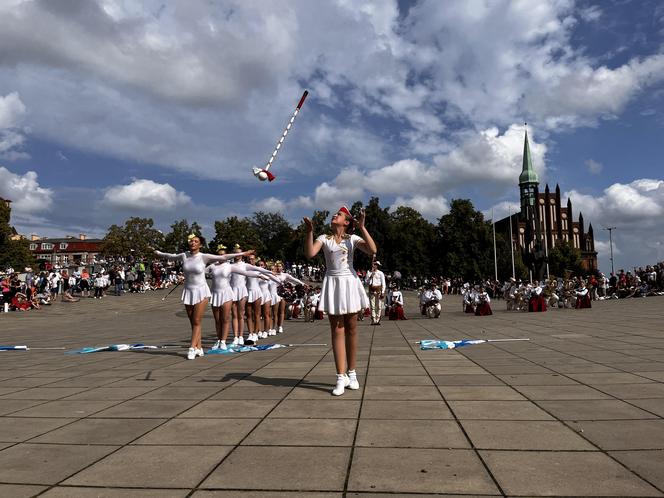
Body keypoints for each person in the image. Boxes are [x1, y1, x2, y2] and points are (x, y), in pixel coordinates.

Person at [304, 206, 377, 396]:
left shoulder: (352, 239)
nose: (334, 215)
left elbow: (372, 249)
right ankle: (340, 376)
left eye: (339, 215)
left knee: (352, 327)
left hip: (349, 281)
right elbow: (310, 253)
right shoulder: (324, 238)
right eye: (335, 214)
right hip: (333, 281)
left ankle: (352, 373)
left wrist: (362, 227)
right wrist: (309, 232)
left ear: (346, 222)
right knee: (337, 329)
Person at [152, 234, 252, 359]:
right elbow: (170, 256)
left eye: (195, 241)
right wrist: (157, 252)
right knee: (192, 322)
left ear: (200, 244)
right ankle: (199, 347)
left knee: (197, 321)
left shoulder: (204, 257)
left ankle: (192, 348)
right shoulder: (184, 255)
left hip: (201, 291)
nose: (192, 243)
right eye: (191, 241)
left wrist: (243, 253)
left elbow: (224, 256)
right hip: (188, 291)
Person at [207, 245, 273, 350]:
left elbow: (252, 270)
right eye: (235, 253)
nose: (237, 256)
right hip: (232, 291)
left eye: (239, 253)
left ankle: (241, 336)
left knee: (241, 314)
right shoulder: (228, 265)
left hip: (242, 290)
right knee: (234, 315)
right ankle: (235, 336)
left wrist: (267, 273)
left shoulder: (243, 265)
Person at [271, 261, 305, 334]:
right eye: (277, 266)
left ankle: (280, 326)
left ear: (282, 267)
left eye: (280, 266)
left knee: (282, 311)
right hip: (274, 293)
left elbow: (294, 279)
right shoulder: (273, 274)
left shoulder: (285, 275)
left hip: (282, 294)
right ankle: (273, 327)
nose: (278, 268)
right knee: (275, 312)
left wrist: (303, 283)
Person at [365, 260, 386, 325]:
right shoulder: (369, 272)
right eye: (374, 264)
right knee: (372, 306)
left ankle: (378, 318)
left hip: (378, 290)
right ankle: (373, 319)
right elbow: (366, 282)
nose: (375, 266)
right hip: (371, 290)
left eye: (376, 265)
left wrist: (383, 291)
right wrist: (371, 276)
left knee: (379, 306)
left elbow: (383, 283)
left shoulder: (380, 273)